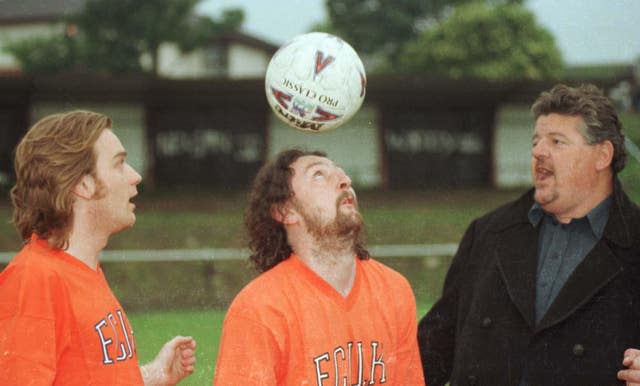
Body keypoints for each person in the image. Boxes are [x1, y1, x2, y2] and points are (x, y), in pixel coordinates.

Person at [418, 83, 640, 386]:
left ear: (602, 155)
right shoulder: (488, 233)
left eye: (557, 142)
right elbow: (431, 349)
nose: (538, 151)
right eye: (536, 141)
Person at [0, 111, 197, 385]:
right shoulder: (34, 279)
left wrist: (152, 376)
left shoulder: (84, 272)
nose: (135, 176)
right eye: (119, 164)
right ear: (83, 184)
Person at [213, 149, 424, 385]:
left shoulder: (394, 290)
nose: (345, 181)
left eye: (340, 173)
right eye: (319, 175)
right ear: (286, 211)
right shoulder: (259, 309)